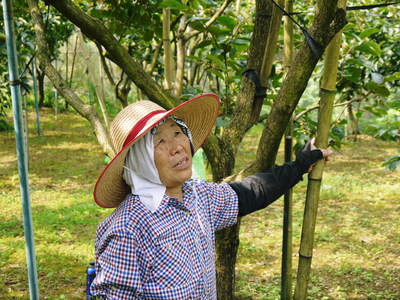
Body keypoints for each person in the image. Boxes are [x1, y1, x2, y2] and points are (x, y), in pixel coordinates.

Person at [90, 94, 332, 299]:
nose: (177, 146)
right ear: (140, 161)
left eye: (177, 132)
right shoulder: (128, 229)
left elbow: (250, 193)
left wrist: (300, 165)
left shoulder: (197, 195)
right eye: (160, 141)